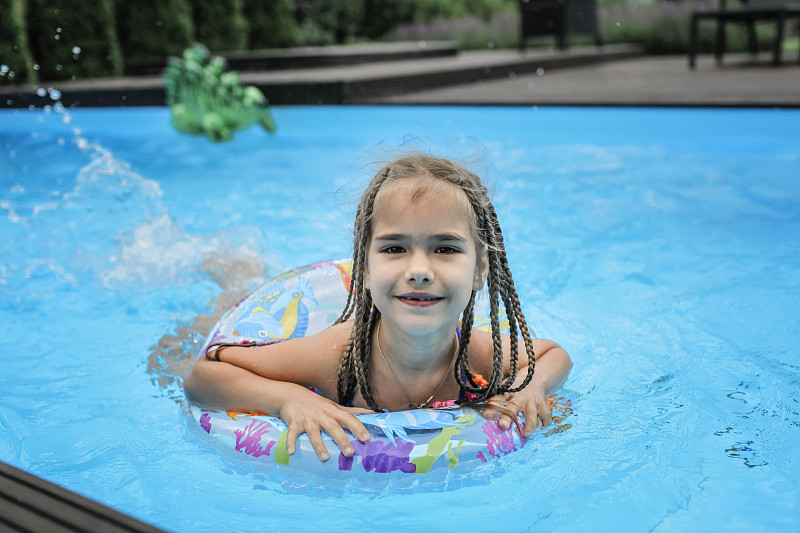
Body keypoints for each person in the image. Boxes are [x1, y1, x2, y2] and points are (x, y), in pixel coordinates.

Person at [184, 153, 572, 462]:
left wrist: (531, 388)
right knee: (175, 347)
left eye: (446, 248)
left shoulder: (477, 354)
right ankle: (233, 273)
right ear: (365, 269)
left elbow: (554, 354)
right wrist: (292, 399)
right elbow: (202, 375)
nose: (419, 270)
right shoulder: (336, 354)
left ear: (480, 269)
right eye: (394, 248)